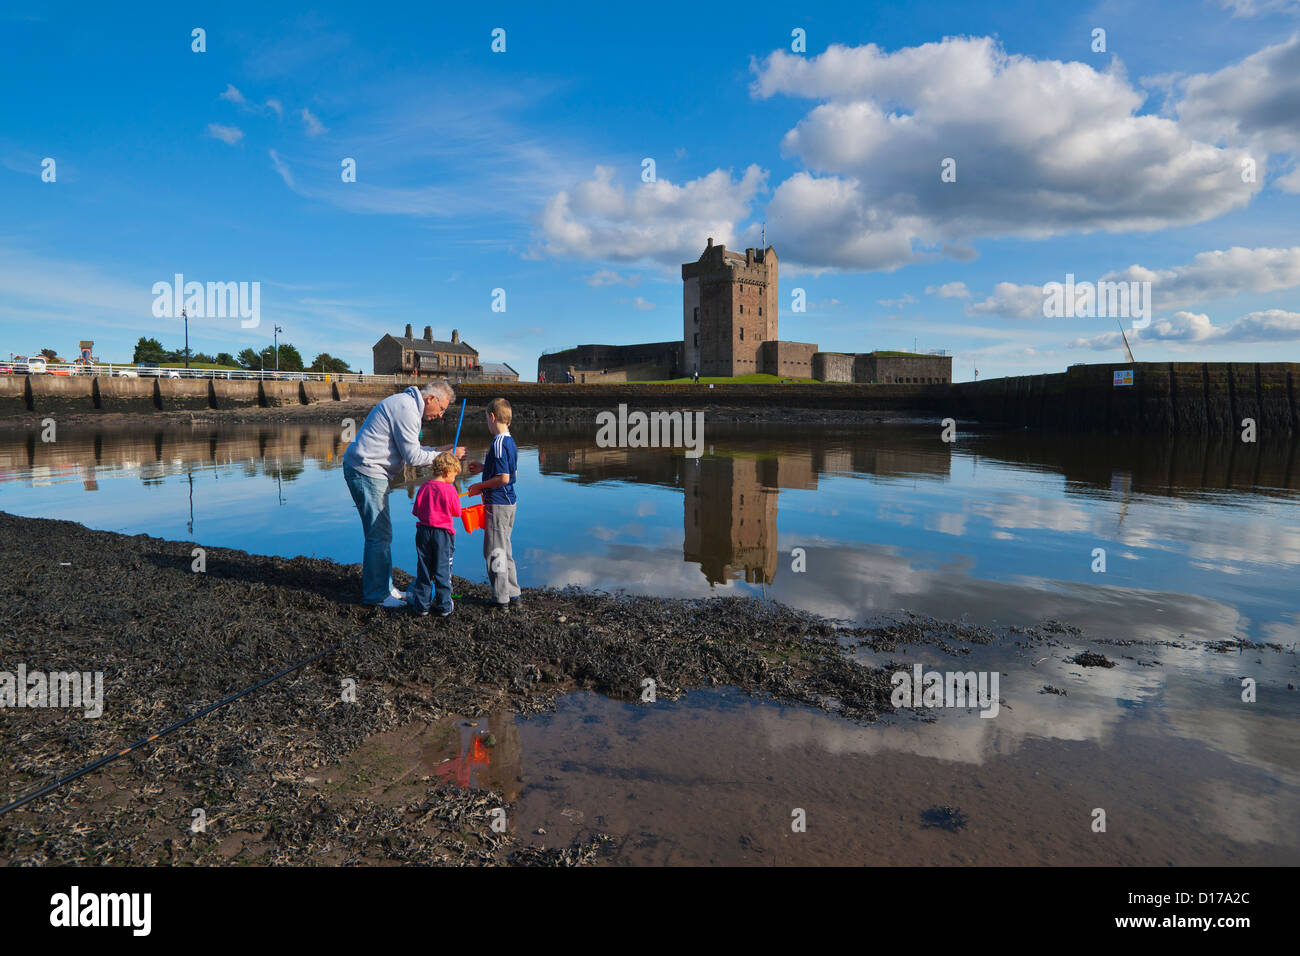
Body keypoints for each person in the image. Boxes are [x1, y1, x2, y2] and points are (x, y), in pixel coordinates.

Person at [343, 381, 464, 607]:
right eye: (442, 409)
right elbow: (413, 458)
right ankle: (377, 595)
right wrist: (446, 457)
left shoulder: (406, 405)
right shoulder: (406, 409)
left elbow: (413, 451)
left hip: (369, 470)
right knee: (379, 534)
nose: (440, 415)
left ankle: (385, 587)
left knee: (381, 533)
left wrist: (440, 451)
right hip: (366, 470)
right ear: (431, 399)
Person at [466, 398, 520, 608]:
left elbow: (504, 477)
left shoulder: (497, 443)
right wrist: (483, 467)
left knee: (494, 551)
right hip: (509, 502)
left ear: (492, 417)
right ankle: (513, 593)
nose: (487, 424)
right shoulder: (510, 442)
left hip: (497, 504)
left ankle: (500, 597)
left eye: (486, 419)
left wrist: (480, 486)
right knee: (505, 548)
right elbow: (511, 472)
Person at [409, 452, 462, 617]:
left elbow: (416, 511)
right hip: (442, 535)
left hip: (423, 533)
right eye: (454, 475)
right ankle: (445, 606)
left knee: (424, 569)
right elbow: (457, 512)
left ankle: (422, 606)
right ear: (447, 473)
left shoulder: (424, 487)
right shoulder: (450, 489)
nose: (454, 478)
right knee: (442, 569)